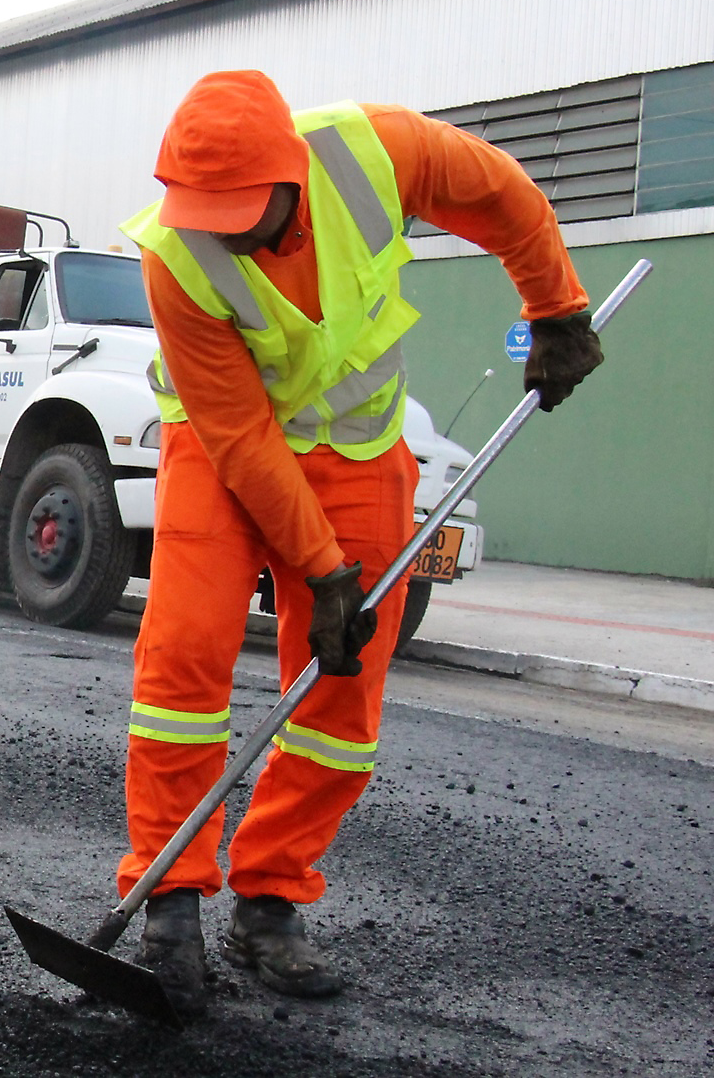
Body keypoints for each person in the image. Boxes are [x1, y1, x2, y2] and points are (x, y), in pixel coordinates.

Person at [115, 70, 601, 1017]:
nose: (218, 229)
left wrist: (556, 305)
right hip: (224, 451)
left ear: (289, 174)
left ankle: (271, 898)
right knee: (183, 656)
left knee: (342, 677)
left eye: (238, 211)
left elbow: (503, 193)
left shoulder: (371, 150)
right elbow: (243, 437)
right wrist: (322, 562)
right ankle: (169, 895)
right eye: (201, 211)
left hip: (360, 448)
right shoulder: (173, 255)